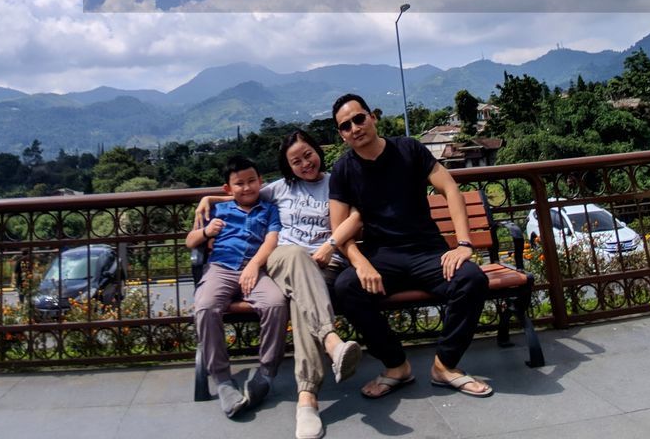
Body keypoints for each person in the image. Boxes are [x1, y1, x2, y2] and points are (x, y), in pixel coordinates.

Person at [197, 131, 363, 439]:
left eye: (308, 155)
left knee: (300, 303)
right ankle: (330, 341)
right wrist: (208, 199)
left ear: (319, 150)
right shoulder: (280, 189)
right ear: (287, 167)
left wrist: (330, 244)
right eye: (295, 161)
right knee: (297, 256)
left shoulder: (335, 183)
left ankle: (307, 400)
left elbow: (356, 217)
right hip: (282, 261)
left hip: (324, 266)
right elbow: (241, 195)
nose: (304, 164)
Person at [328, 93, 493, 399]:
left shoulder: (409, 149)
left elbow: (449, 188)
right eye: (346, 125)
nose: (355, 127)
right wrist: (360, 262)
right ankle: (395, 366)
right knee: (347, 287)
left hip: (427, 252)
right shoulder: (343, 169)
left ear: (372, 117)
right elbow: (338, 230)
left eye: (359, 118)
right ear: (342, 134)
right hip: (382, 259)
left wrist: (463, 244)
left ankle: (445, 365)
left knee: (471, 280)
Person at [186, 154, 288, 418]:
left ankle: (266, 373)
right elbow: (190, 241)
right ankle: (222, 379)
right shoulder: (218, 210)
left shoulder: (268, 209)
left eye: (252, 181)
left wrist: (254, 265)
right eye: (239, 183)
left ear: (260, 181)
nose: (247, 187)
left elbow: (272, 240)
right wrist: (207, 232)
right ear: (228, 189)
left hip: (254, 269)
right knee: (205, 307)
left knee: (276, 303)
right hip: (221, 268)